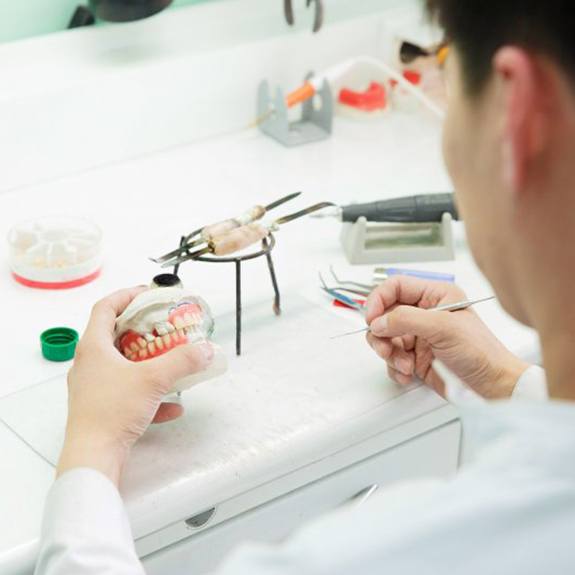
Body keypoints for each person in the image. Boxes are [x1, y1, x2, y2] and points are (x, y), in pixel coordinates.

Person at [36, 0, 575, 573]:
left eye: (443, 64)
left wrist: (90, 445)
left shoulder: (381, 555)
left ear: (517, 116)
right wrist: (503, 380)